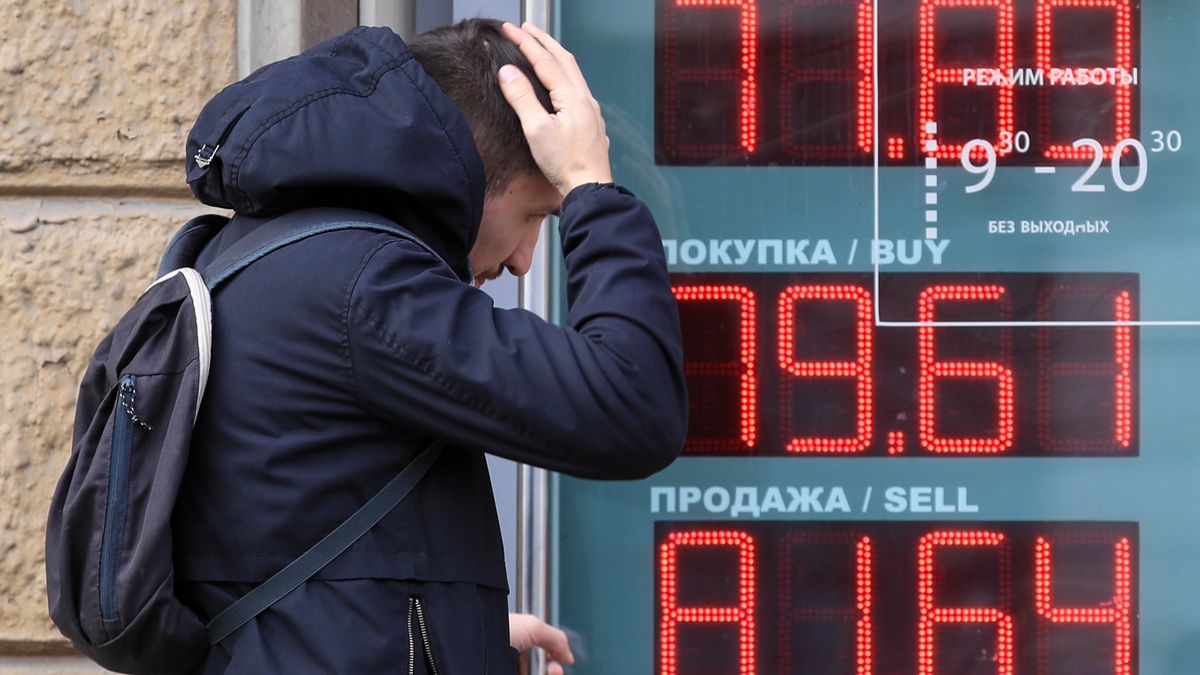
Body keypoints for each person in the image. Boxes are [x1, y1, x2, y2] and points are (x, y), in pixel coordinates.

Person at [171, 18, 687, 675]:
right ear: (470, 167)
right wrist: (590, 186)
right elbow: (632, 404)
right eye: (534, 215)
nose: (527, 260)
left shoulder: (276, 252)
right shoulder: (363, 287)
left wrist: (457, 634)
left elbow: (300, 556)